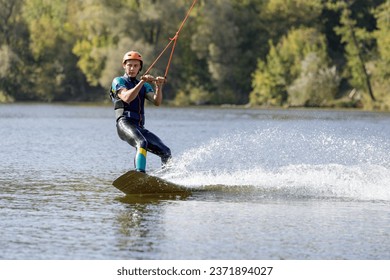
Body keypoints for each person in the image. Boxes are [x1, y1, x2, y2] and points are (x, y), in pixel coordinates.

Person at [110, 50, 171, 173]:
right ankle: (140, 174)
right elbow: (127, 98)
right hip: (124, 123)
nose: (132, 68)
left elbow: (156, 102)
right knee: (141, 142)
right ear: (124, 65)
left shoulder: (143, 85)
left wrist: (158, 86)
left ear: (140, 68)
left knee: (166, 152)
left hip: (139, 126)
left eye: (135, 66)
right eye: (129, 65)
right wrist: (142, 81)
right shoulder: (118, 81)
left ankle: (167, 178)